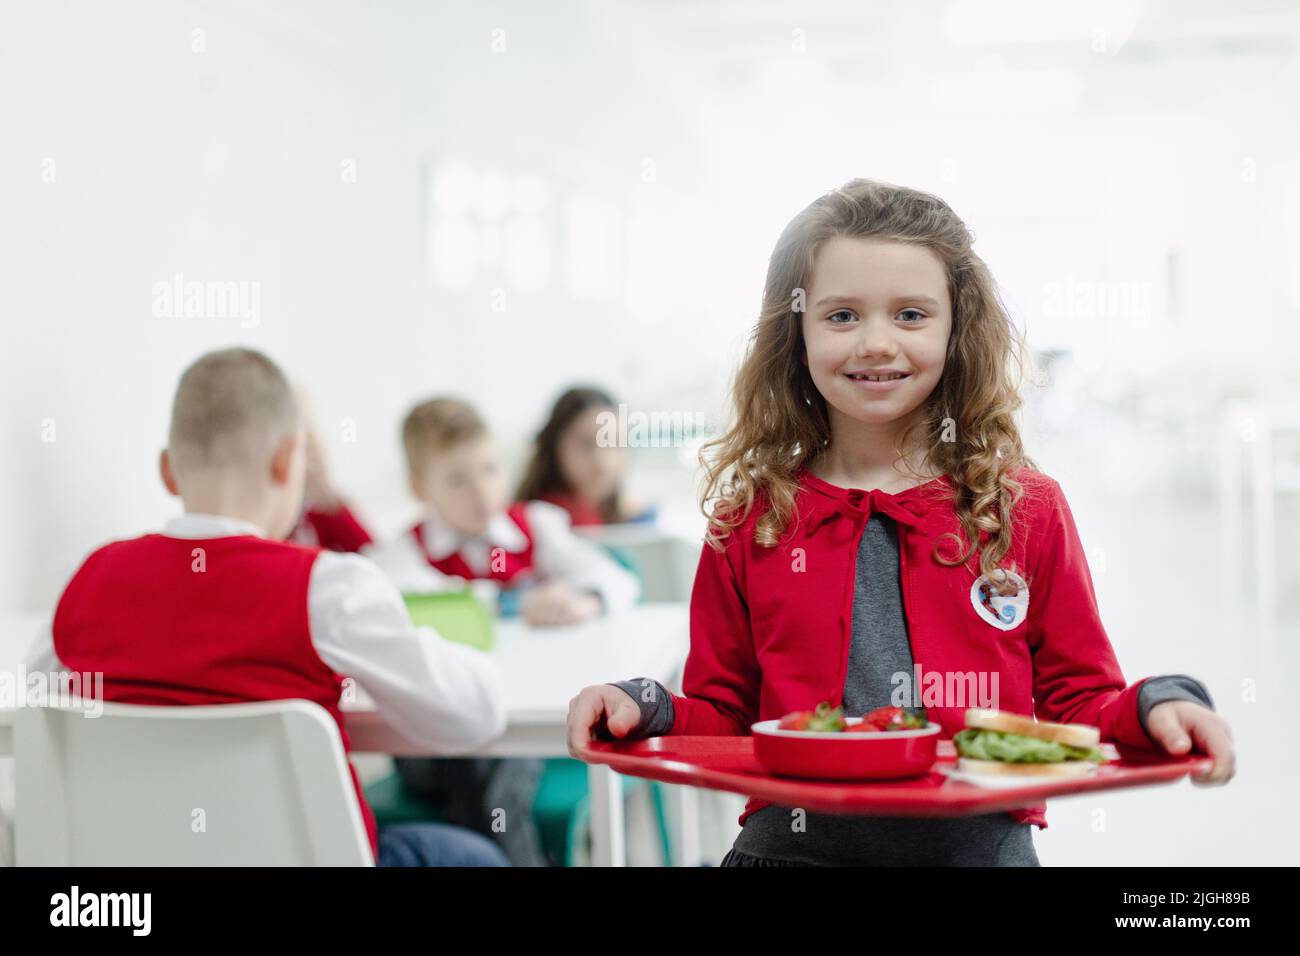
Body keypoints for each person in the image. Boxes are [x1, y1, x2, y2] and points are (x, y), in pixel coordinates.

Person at [566, 179, 1235, 866]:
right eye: (842, 316)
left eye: (911, 315)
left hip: (978, 851)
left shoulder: (1026, 508)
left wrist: (1159, 702)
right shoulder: (750, 518)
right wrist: (645, 703)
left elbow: (1081, 703)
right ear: (794, 333)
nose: (877, 343)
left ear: (957, 328)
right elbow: (727, 716)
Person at [26, 347, 509, 866]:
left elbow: (38, 709)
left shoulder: (85, 581)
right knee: (474, 856)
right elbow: (474, 716)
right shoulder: (328, 587)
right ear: (286, 461)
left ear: (168, 471)